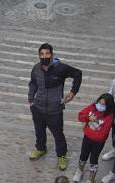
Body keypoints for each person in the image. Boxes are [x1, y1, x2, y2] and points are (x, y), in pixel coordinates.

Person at [27, 43, 83, 171]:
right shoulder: (36, 69)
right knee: (39, 131)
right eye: (42, 54)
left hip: (55, 110)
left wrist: (73, 92)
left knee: (58, 134)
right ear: (39, 55)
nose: (44, 56)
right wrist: (31, 100)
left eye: (47, 54)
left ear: (52, 55)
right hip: (38, 108)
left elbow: (78, 74)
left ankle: (62, 155)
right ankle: (41, 148)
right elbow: (33, 84)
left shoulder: (61, 69)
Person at [73, 93, 115, 183]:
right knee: (83, 155)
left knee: (93, 160)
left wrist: (88, 130)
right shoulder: (92, 107)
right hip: (87, 139)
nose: (100, 106)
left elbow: (102, 134)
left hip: (98, 143)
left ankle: (90, 181)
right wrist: (88, 118)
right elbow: (80, 116)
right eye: (99, 103)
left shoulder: (109, 116)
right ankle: (79, 171)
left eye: (103, 104)